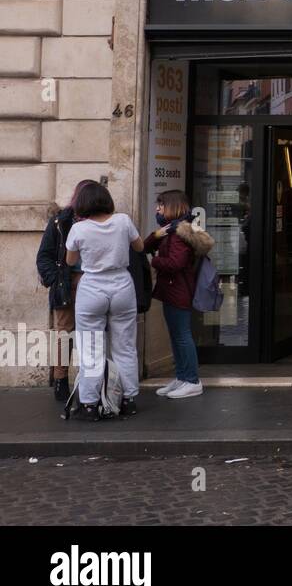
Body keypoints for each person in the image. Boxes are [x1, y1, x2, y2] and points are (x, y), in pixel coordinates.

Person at [64, 182, 144, 420]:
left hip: (92, 287)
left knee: (90, 349)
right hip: (121, 284)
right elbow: (139, 247)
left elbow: (70, 261)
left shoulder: (79, 229)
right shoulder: (123, 221)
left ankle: (90, 404)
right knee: (125, 347)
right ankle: (129, 399)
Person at [143, 190, 213, 399]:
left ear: (172, 206)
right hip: (173, 290)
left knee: (182, 336)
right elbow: (145, 246)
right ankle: (182, 377)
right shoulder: (171, 231)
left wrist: (153, 262)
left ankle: (192, 380)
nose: (157, 209)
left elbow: (175, 264)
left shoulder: (180, 235)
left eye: (161, 205)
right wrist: (156, 235)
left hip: (178, 290)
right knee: (176, 335)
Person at [35, 179, 98, 404]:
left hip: (94, 282)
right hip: (67, 282)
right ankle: (61, 380)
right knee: (64, 332)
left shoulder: (102, 220)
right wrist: (57, 280)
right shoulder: (60, 221)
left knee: (93, 334)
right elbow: (44, 256)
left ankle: (92, 381)